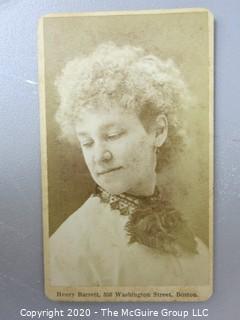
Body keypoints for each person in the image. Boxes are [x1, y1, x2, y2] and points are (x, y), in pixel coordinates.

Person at [50, 42, 209, 286]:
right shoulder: (69, 249)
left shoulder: (193, 245)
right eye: (87, 142)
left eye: (112, 136)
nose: (99, 156)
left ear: (158, 131)